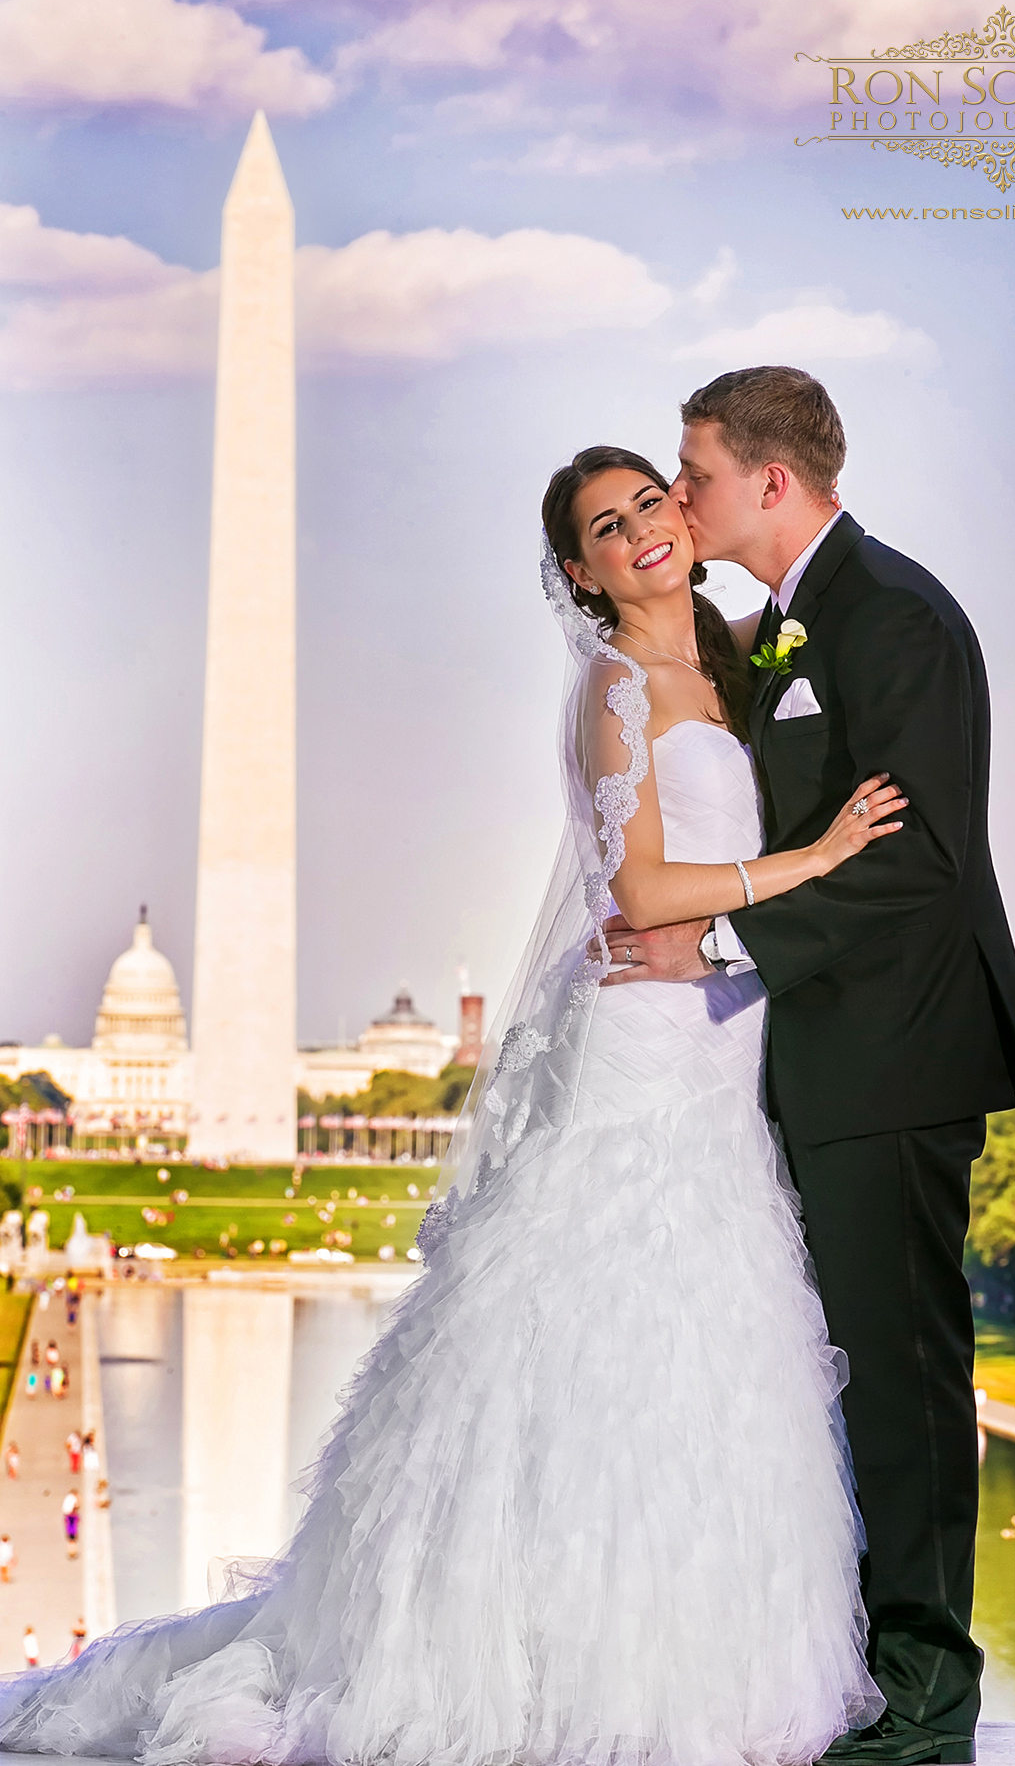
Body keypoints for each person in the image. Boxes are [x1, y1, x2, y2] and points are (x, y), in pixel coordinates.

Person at [0, 445, 894, 1766]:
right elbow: (640, 895)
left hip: (715, 1056)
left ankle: (676, 1654)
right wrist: (811, 859)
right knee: (588, 1348)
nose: (642, 530)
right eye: (608, 525)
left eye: (652, 500)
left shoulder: (740, 658)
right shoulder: (613, 688)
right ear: (580, 574)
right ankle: (538, 1657)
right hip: (639, 1052)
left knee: (702, 1359)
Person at [605, 367, 1015, 1765]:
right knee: (837, 1379)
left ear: (771, 483)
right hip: (812, 1059)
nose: (681, 499)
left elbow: (921, 864)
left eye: (697, 474)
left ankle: (926, 1697)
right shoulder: (787, 628)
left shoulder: (896, 617)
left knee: (907, 1375)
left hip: (896, 1060)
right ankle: (851, 1672)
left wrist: (726, 937)